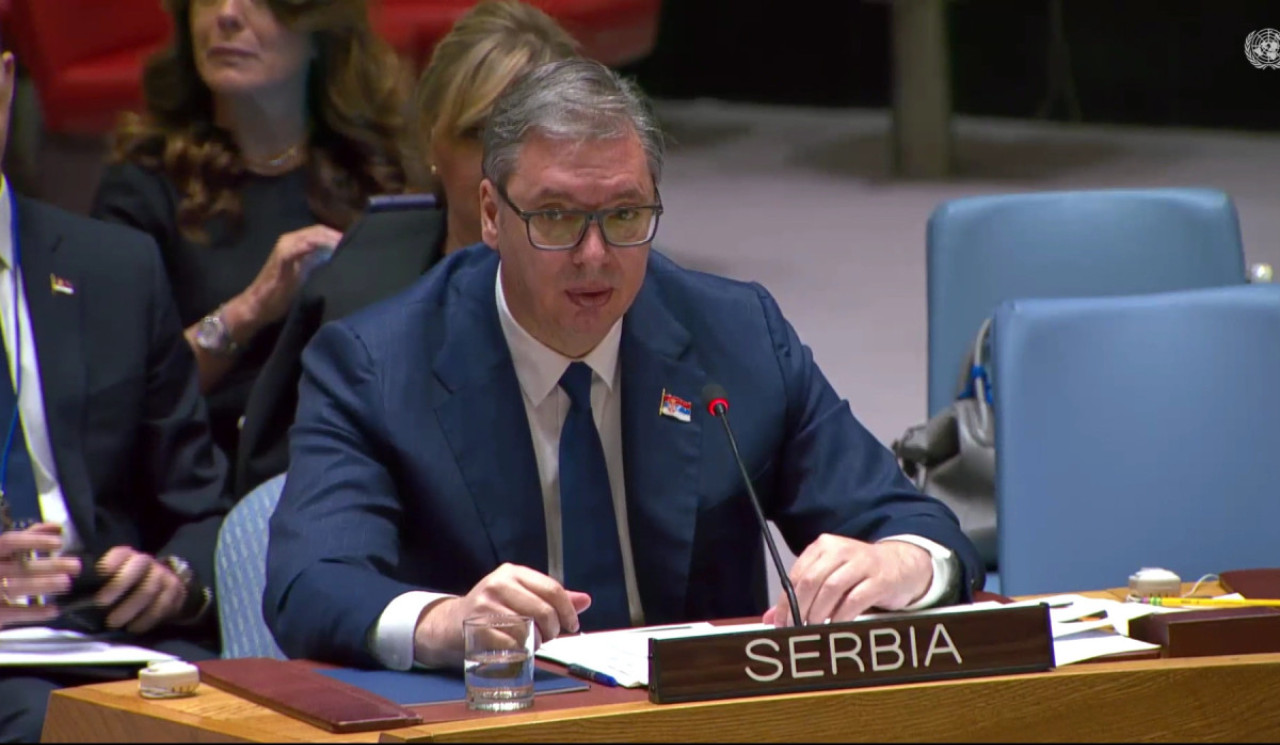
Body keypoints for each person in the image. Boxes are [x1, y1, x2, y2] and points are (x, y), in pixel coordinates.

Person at [263, 59, 984, 671]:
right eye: (555, 216)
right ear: (490, 214)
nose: (595, 255)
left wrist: (901, 563)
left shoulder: (736, 337)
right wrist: (445, 622)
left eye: (625, 215)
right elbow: (310, 583)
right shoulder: (377, 366)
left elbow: (919, 526)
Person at [233, 0, 580, 497]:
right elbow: (279, 487)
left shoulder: (620, 290)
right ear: (432, 140)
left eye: (536, 136)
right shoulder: (356, 293)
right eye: (479, 134)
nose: (509, 165)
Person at [0, 46, 230, 742]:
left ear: (5, 84)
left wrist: (175, 575)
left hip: (116, 640)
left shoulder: (115, 270)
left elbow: (200, 505)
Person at [89, 0, 407, 472]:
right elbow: (117, 398)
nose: (227, 15)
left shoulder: (378, 170)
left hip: (360, 461)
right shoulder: (142, 187)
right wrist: (249, 310)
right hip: (213, 473)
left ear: (319, 28)